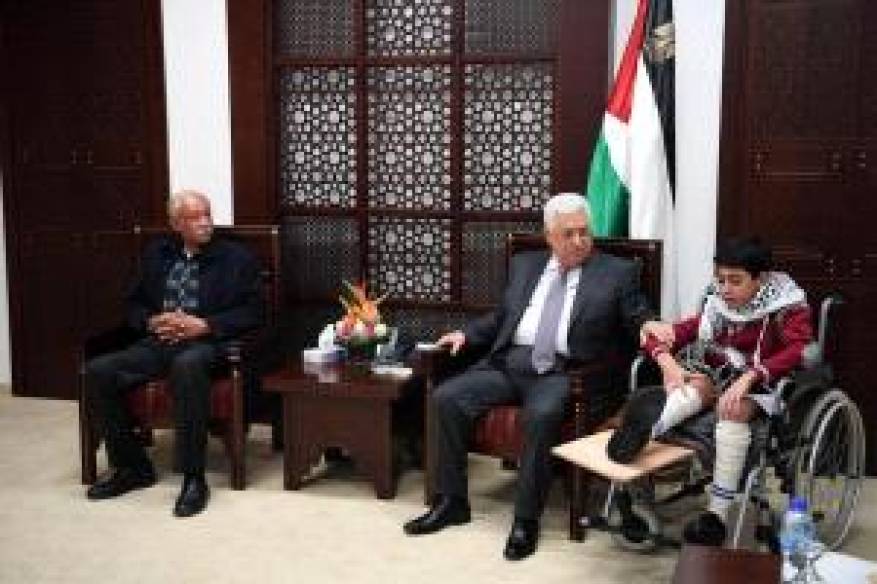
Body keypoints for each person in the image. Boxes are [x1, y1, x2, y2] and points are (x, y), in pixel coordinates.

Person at [403, 193, 654, 560]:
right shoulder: (525, 265)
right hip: (511, 363)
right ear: (549, 236)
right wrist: (466, 335)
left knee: (541, 415)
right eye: (568, 234)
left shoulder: (616, 272)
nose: (579, 241)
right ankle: (452, 502)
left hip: (564, 371)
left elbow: (637, 315)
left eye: (584, 232)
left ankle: (526, 520)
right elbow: (502, 317)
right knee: (447, 397)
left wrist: (649, 324)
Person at [608, 237, 813, 546]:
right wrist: (667, 363)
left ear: (760, 278)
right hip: (717, 377)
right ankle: (644, 430)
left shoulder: (786, 307)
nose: (725, 289)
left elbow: (797, 351)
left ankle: (716, 515)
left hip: (763, 383)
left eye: (735, 281)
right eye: (720, 279)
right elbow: (657, 336)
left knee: (732, 407)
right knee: (696, 384)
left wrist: (752, 376)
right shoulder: (716, 306)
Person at [85, 190, 262, 517]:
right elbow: (133, 304)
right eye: (195, 217)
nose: (205, 222)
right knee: (98, 371)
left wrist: (204, 325)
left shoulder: (236, 258)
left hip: (207, 345)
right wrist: (151, 321)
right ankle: (132, 467)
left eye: (207, 214)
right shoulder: (157, 254)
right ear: (177, 224)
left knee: (187, 364)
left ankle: (194, 478)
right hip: (159, 342)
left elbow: (254, 312)